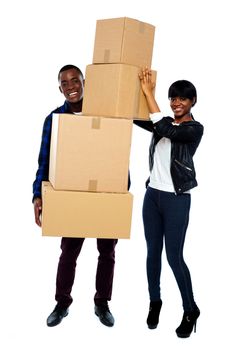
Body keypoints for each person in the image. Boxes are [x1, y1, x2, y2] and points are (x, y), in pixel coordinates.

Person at [33, 64, 117, 328]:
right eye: (65, 83)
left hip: (106, 192)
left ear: (84, 82)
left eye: (75, 80)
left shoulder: (105, 113)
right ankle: (62, 303)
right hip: (72, 194)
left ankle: (102, 303)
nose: (71, 87)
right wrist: (38, 195)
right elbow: (44, 161)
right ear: (60, 88)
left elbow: (120, 143)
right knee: (68, 252)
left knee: (107, 252)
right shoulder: (55, 119)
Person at [135, 67, 204, 338]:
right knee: (152, 253)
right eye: (173, 97)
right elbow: (136, 117)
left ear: (192, 102)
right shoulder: (160, 121)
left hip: (177, 199)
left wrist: (148, 93)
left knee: (174, 257)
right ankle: (155, 302)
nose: (176, 102)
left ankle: (190, 309)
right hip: (152, 196)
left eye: (182, 98)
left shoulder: (193, 129)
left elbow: (164, 128)